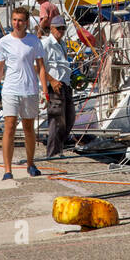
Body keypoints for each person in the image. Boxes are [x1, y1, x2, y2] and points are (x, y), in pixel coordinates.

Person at [0, 6, 48, 180]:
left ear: (27, 22)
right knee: (9, 127)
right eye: (15, 20)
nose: (17, 23)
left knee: (29, 129)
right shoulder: (4, 42)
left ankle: (30, 163)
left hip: (29, 90)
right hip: (10, 89)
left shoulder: (34, 41)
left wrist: (45, 91)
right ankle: (7, 170)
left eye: (20, 20)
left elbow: (41, 68)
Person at [40, 16, 74, 157]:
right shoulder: (46, 43)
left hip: (65, 84)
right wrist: (52, 81)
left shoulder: (62, 44)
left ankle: (58, 149)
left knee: (69, 118)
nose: (61, 30)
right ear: (51, 28)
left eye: (63, 28)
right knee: (56, 120)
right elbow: (38, 66)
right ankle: (53, 152)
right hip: (54, 87)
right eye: (58, 28)